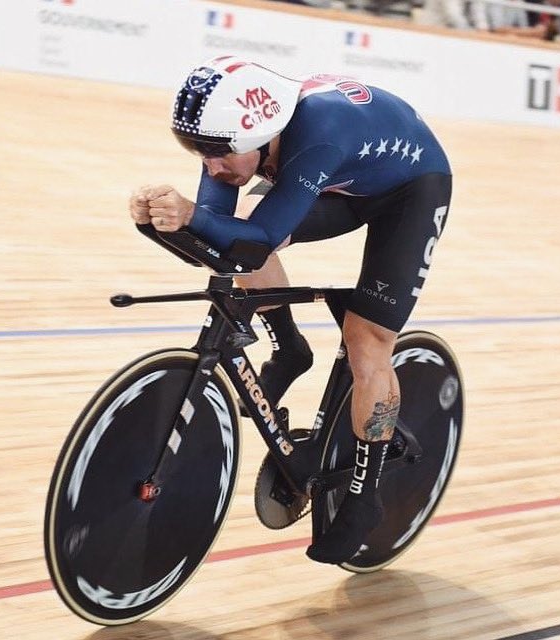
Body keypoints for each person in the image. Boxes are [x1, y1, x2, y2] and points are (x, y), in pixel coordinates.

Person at [129, 56, 452, 565]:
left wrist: (190, 217)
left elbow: (252, 244)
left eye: (217, 153)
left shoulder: (316, 134)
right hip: (346, 178)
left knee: (367, 340)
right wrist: (161, 223)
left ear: (261, 134)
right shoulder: (232, 138)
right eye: (198, 152)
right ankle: (290, 347)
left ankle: (364, 497)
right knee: (237, 220)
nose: (211, 166)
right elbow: (218, 235)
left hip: (412, 188)